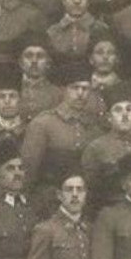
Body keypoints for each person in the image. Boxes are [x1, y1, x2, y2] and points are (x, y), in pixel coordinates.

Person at [20, 60, 94, 208]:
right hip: (48, 200)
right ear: (63, 90)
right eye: (75, 88)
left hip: (84, 200)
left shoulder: (94, 126)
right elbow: (29, 169)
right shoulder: (43, 124)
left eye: (85, 89)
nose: (80, 94)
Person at [80, 82, 131, 202]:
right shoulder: (96, 148)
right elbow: (90, 190)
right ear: (109, 117)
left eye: (129, 109)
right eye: (118, 110)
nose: (125, 115)